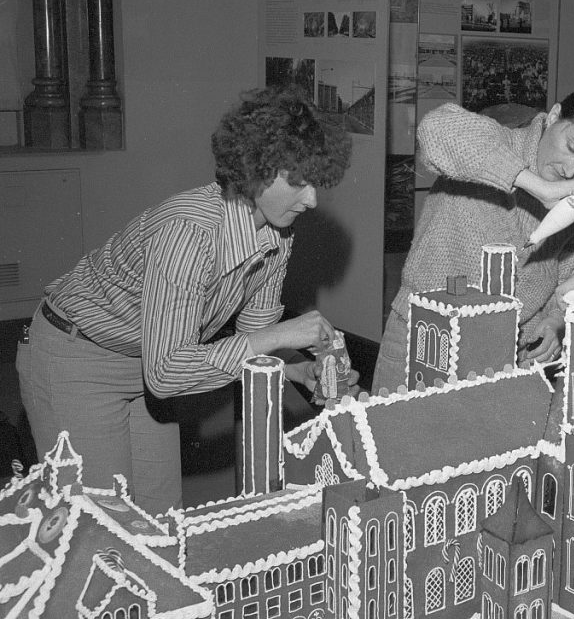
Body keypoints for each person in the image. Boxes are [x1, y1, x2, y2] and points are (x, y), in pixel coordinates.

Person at [16, 85, 352, 515]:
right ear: (255, 169)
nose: (312, 200)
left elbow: (252, 341)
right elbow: (168, 371)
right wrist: (285, 332)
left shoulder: (278, 234)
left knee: (161, 520)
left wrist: (295, 370)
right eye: (300, 182)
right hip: (76, 357)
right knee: (98, 524)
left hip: (148, 362)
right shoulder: (189, 233)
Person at [373, 83, 574, 388]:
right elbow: (435, 130)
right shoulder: (498, 142)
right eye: (572, 147)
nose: (571, 170)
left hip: (499, 358)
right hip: (422, 337)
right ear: (553, 116)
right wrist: (538, 187)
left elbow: (561, 283)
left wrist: (553, 322)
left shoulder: (573, 210)